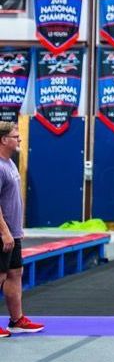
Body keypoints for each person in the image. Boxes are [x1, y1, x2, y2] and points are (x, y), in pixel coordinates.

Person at [0, 122, 44, 337]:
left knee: (15, 273)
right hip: (2, 232)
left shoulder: (10, 163)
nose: (19, 139)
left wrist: (16, 229)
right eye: (15, 136)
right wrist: (5, 231)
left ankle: (16, 320)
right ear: (3, 140)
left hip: (13, 231)